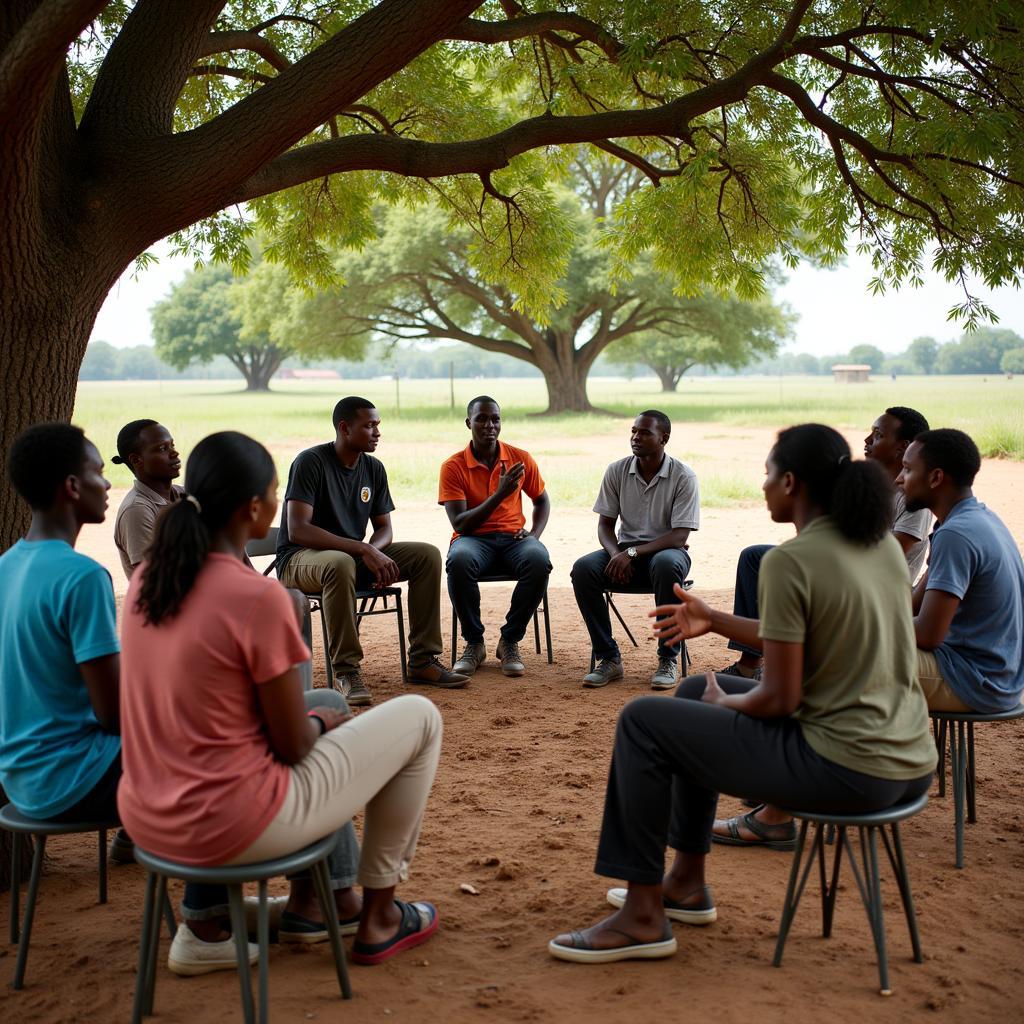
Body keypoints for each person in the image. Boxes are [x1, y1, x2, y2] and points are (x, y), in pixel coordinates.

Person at [547, 424, 935, 964]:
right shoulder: (876, 546)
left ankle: (640, 917)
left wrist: (726, 706)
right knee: (686, 691)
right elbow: (811, 631)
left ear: (792, 483)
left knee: (643, 721)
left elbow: (776, 698)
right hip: (907, 761)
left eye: (769, 475)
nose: (764, 486)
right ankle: (684, 882)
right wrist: (716, 621)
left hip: (848, 769)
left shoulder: (791, 561)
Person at [118, 431, 443, 974]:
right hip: (230, 823)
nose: (276, 503)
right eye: (273, 491)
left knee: (314, 700)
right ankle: (380, 912)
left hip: (149, 813)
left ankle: (304, 904)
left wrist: (315, 711)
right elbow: (292, 745)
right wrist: (323, 718)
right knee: (419, 717)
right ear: (253, 508)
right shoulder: (257, 598)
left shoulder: (150, 580)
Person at [276, 397, 467, 706]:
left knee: (426, 555)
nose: (377, 432)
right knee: (339, 564)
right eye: (369, 426)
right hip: (299, 559)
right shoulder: (310, 462)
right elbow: (299, 529)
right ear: (344, 428)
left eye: (378, 425)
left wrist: (373, 553)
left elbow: (385, 529)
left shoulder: (373, 468)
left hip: (348, 558)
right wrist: (362, 549)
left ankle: (422, 660)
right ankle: (346, 671)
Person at [722, 406, 932, 682]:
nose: (868, 441)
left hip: (869, 582)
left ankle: (777, 665)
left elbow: (885, 553)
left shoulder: (911, 499)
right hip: (841, 567)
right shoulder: (867, 486)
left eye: (878, 435)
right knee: (754, 557)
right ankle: (750, 663)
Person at [0, 424, 131, 862]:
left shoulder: (6, 567)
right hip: (78, 779)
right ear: (73, 487)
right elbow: (112, 715)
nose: (107, 481)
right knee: (222, 750)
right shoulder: (83, 576)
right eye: (98, 471)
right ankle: (205, 916)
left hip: (20, 781)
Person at [898, 428, 1024, 713]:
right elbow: (912, 603)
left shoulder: (957, 534)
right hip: (993, 676)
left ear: (936, 477)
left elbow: (928, 634)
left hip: (974, 680)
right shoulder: (977, 518)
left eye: (907, 469)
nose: (899, 478)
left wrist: (862, 624)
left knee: (846, 654)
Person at [571, 410, 698, 690]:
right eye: (633, 431)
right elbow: (605, 526)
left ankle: (668, 658)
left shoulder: (683, 476)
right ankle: (609, 659)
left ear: (664, 438)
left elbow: (679, 536)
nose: (635, 438)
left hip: (666, 551)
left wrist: (631, 554)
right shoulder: (617, 470)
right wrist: (618, 553)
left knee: (666, 565)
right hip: (624, 552)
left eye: (644, 433)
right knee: (583, 569)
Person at [439, 396, 551, 677]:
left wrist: (534, 535)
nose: (490, 425)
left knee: (539, 559)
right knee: (459, 560)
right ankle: (474, 643)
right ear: (469, 423)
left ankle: (509, 641)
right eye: (482, 419)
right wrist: (499, 494)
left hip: (515, 538)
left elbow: (542, 500)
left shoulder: (519, 458)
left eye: (495, 419)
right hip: (473, 539)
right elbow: (461, 523)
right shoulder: (453, 466)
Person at [111, 419, 185, 579]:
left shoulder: (184, 495)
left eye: (172, 445)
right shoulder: (137, 510)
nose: (174, 453)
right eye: (162, 448)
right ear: (137, 460)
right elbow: (153, 581)